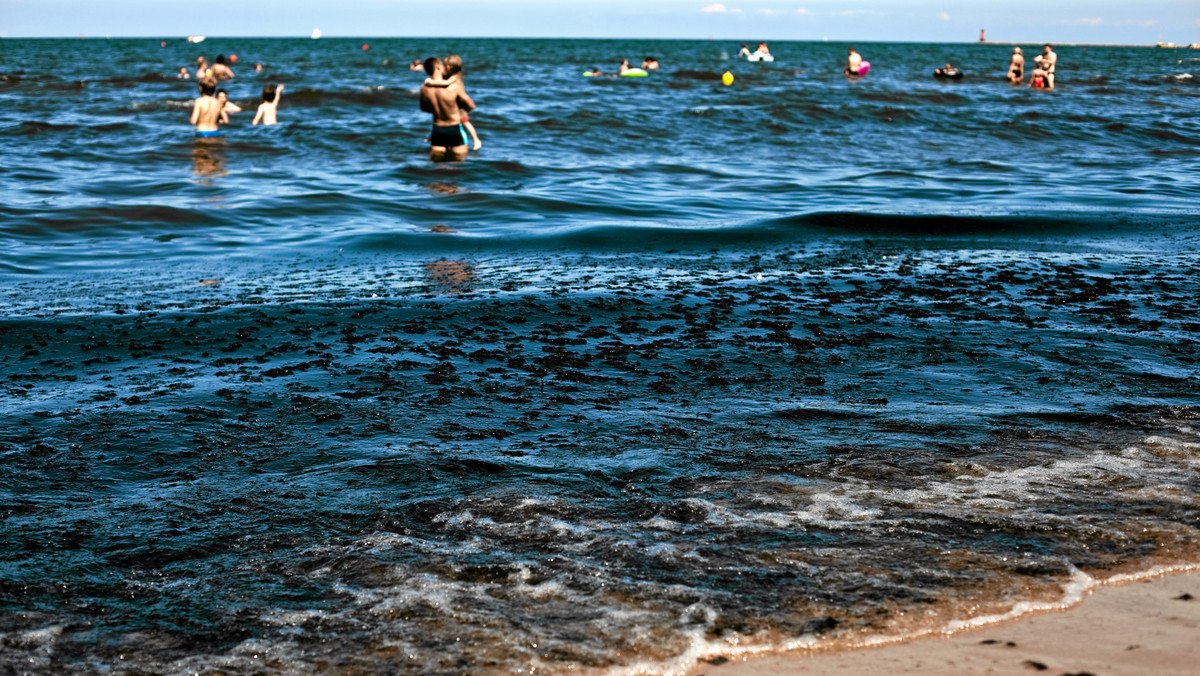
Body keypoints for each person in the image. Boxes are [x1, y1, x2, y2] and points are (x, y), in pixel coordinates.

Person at [418, 57, 475, 162]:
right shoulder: (454, 86)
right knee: (458, 167)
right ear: (438, 67)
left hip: (438, 130)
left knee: (437, 168)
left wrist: (438, 110)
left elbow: (423, 108)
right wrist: (460, 112)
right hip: (454, 128)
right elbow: (471, 105)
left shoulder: (424, 88)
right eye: (443, 65)